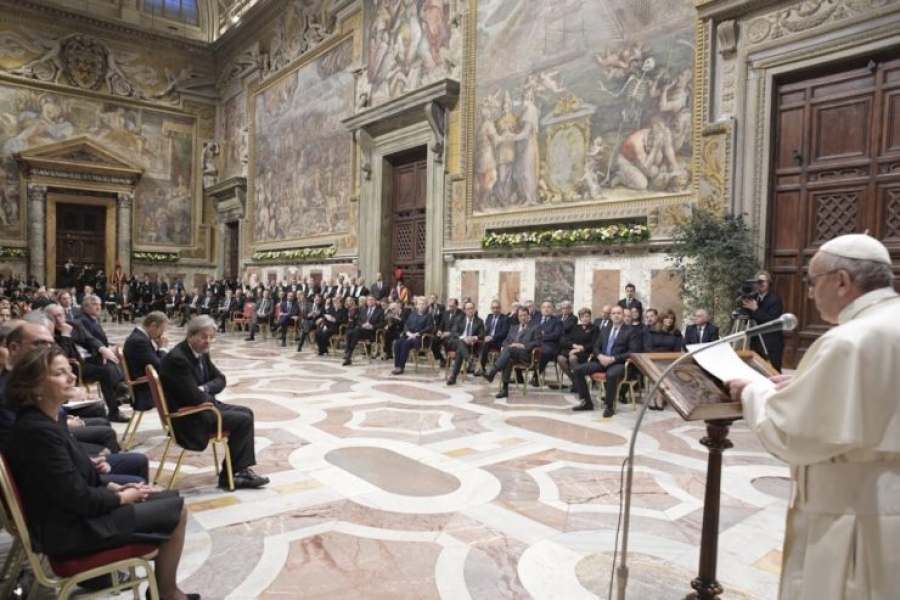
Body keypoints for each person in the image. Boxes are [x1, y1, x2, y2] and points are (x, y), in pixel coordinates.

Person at [726, 234, 900, 600]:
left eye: (812, 282)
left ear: (841, 281)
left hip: (854, 516)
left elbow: (793, 435)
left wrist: (752, 391)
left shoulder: (849, 340)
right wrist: (806, 382)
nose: (808, 294)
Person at [4, 345, 199, 600]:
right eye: (60, 373)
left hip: (70, 517)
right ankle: (168, 594)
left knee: (164, 497)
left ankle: (164, 591)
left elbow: (69, 476)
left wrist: (112, 488)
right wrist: (122, 498)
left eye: (69, 370)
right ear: (35, 388)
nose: (72, 376)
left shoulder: (45, 420)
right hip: (72, 531)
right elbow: (77, 497)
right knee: (177, 511)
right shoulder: (38, 431)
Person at [160, 316, 269, 490]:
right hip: (189, 417)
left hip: (203, 406)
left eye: (211, 337)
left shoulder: (200, 352)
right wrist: (205, 392)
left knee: (247, 412)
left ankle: (238, 471)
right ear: (190, 335)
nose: (208, 341)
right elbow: (193, 398)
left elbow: (220, 379)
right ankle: (230, 476)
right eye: (204, 337)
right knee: (243, 420)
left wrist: (204, 388)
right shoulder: (178, 359)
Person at [571, 305, 641, 417]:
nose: (616, 315)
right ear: (610, 316)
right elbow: (596, 346)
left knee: (611, 375)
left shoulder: (631, 331)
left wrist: (612, 359)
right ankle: (586, 402)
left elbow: (632, 351)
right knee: (578, 369)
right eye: (613, 313)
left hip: (619, 363)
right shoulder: (605, 329)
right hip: (601, 361)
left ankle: (609, 406)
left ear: (623, 315)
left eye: (619, 313)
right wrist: (599, 356)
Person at [123, 311, 170, 411]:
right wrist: (163, 349)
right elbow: (159, 366)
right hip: (145, 391)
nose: (161, 335)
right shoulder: (140, 341)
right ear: (153, 326)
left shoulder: (139, 337)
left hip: (146, 384)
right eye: (161, 331)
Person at [742, 269, 785, 372]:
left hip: (771, 342)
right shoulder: (753, 297)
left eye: (764, 281)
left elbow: (772, 322)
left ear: (769, 283)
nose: (761, 284)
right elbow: (747, 315)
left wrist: (756, 310)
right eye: (759, 281)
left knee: (773, 371)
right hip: (756, 341)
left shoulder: (775, 299)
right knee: (757, 371)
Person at [391, 297, 432, 375]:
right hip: (409, 335)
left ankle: (401, 367)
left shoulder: (428, 316)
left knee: (405, 344)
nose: (422, 306)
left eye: (423, 304)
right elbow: (406, 323)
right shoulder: (413, 314)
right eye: (420, 304)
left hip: (420, 338)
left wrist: (417, 334)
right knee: (397, 343)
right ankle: (397, 366)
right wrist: (407, 332)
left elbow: (429, 327)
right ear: (416, 305)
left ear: (426, 305)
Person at [557, 308, 598, 386]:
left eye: (587, 316)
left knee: (573, 358)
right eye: (583, 317)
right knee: (560, 358)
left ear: (590, 317)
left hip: (586, 353)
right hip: (573, 351)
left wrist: (581, 348)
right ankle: (575, 381)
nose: (585, 319)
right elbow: (565, 340)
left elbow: (594, 343)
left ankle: (579, 382)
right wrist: (574, 346)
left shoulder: (594, 328)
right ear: (580, 318)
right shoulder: (576, 328)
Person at [445, 301, 484, 385]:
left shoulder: (479, 321)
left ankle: (453, 377)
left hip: (471, 346)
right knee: (460, 341)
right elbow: (454, 332)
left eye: (471, 308)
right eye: (468, 309)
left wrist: (473, 338)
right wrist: (464, 338)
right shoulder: (459, 319)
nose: (470, 310)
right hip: (456, 343)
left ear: (474, 309)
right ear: (465, 311)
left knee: (459, 351)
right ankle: (468, 359)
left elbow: (482, 335)